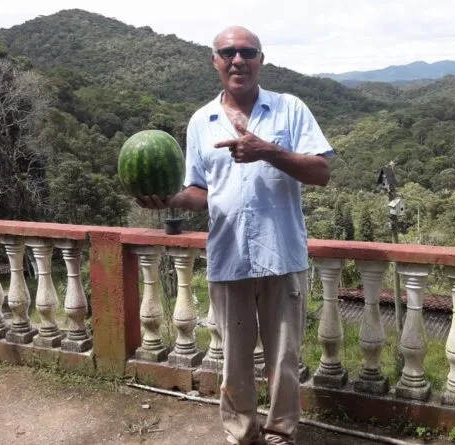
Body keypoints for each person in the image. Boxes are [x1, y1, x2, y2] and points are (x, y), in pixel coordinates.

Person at [136, 25, 334, 445]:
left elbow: (321, 172)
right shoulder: (201, 121)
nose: (238, 60)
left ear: (261, 60)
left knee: (284, 360)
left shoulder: (289, 109)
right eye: (228, 53)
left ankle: (280, 435)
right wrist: (172, 199)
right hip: (228, 256)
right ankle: (242, 435)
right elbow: (200, 191)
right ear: (215, 61)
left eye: (247, 52)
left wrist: (268, 151)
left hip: (282, 255)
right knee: (235, 363)